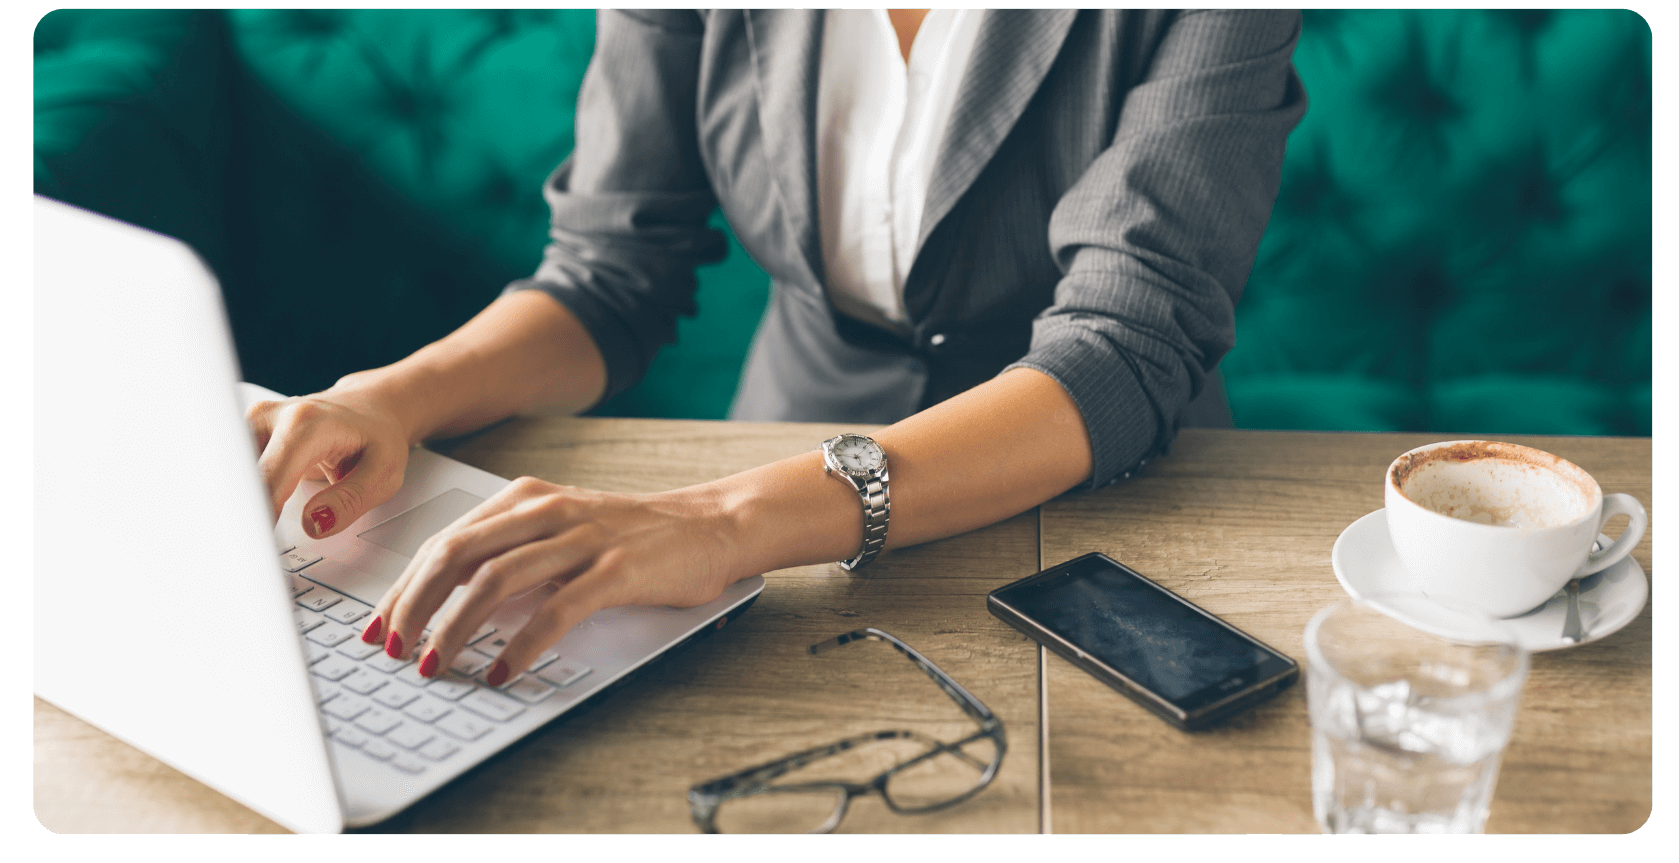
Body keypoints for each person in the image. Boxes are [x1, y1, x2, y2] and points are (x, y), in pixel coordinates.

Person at [248, 9, 1306, 685]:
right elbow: (611, 270)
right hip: (790, 462)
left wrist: (719, 518)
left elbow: (1127, 339)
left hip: (1091, 492)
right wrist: (387, 397)